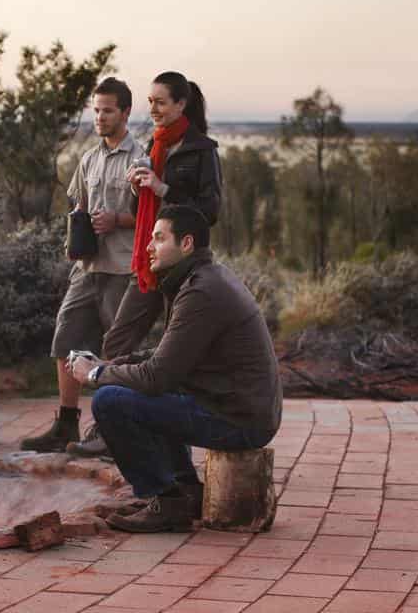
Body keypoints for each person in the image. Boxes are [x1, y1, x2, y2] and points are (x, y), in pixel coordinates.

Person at [67, 205, 280, 533]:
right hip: (238, 408)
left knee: (110, 401)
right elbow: (168, 357)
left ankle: (165, 500)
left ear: (186, 244)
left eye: (158, 238)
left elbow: (157, 377)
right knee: (150, 390)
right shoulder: (203, 279)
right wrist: (113, 364)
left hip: (240, 420)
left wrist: (96, 376)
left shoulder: (201, 291)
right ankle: (186, 490)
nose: (148, 246)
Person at [71, 71, 224, 457]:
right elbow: (147, 212)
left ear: (181, 104)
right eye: (150, 101)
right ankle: (110, 428)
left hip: (186, 269)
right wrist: (141, 191)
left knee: (176, 355)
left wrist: (161, 188)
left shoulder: (201, 150)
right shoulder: (154, 148)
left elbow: (209, 212)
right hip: (151, 261)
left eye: (160, 102)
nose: (152, 109)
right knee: (118, 339)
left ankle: (176, 447)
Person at [20, 78, 140, 452]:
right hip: (87, 268)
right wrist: (76, 237)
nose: (100, 117)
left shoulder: (141, 159)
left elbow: (153, 218)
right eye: (97, 110)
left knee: (117, 351)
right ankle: (66, 425)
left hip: (122, 269)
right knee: (66, 340)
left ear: (125, 112)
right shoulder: (89, 159)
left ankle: (111, 430)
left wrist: (118, 221)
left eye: (107, 110)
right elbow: (80, 210)